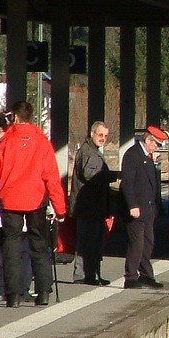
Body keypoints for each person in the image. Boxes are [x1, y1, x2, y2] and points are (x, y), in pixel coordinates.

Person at [0, 101, 66, 307]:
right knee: (39, 244)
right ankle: (43, 292)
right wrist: (60, 208)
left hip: (11, 198)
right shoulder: (41, 140)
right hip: (36, 198)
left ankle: (13, 294)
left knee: (11, 245)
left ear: (15, 117)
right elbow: (51, 175)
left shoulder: (7, 140)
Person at [120, 125, 165, 289]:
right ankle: (130, 276)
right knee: (136, 244)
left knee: (147, 242)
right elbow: (128, 183)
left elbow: (152, 184)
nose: (157, 148)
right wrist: (132, 204)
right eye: (156, 144)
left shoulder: (147, 157)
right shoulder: (133, 155)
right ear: (148, 140)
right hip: (136, 208)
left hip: (148, 209)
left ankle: (146, 275)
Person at [71, 121, 111, 286]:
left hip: (88, 205)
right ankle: (86, 275)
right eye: (100, 135)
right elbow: (90, 175)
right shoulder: (90, 153)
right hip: (90, 205)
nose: (103, 139)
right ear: (92, 133)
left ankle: (88, 273)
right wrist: (109, 176)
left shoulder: (88, 150)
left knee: (87, 241)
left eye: (106, 136)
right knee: (89, 241)